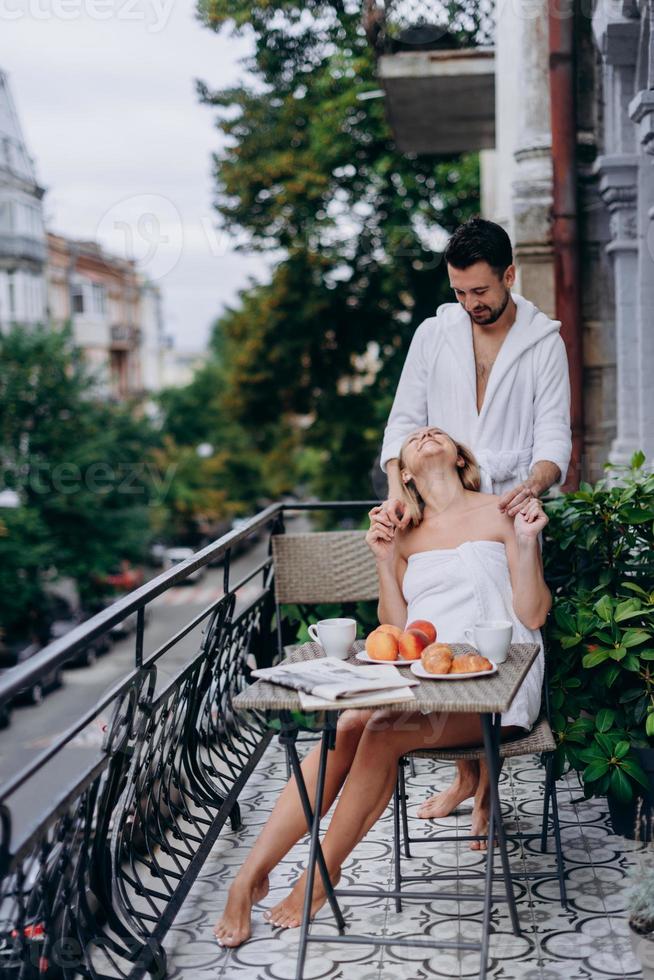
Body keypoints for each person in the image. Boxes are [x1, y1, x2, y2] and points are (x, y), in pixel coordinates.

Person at [213, 426, 550, 948]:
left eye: (440, 433)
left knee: (384, 733)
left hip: (499, 683)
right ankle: (249, 875)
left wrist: (527, 542)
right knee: (348, 724)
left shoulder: (502, 511)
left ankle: (320, 876)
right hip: (426, 679)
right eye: (415, 438)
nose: (429, 433)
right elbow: (395, 628)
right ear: (405, 473)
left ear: (462, 460)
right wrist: (383, 560)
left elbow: (532, 613)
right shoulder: (406, 533)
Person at [379, 216, 570, 819]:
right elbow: (404, 417)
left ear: (509, 275)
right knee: (445, 616)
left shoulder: (544, 342)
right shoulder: (435, 334)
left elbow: (554, 437)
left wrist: (531, 487)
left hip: (509, 515)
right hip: (441, 503)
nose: (469, 304)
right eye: (459, 291)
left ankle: (486, 789)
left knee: (501, 623)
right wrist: (398, 489)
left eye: (480, 291)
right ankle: (465, 778)